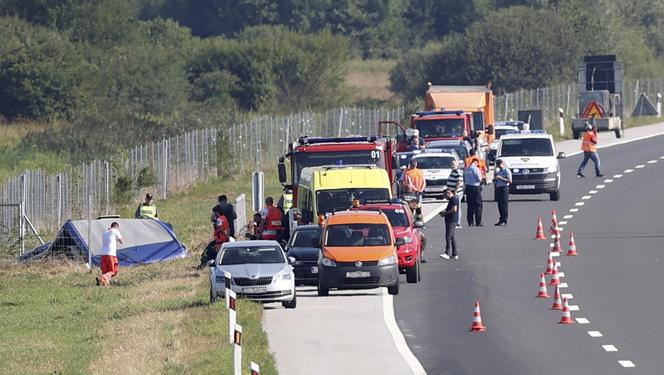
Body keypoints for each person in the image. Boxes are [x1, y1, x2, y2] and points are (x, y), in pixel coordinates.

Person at [96, 222, 123, 286]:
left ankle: (103, 282)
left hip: (103, 254)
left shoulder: (105, 232)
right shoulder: (115, 230)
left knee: (105, 271)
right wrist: (117, 238)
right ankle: (101, 278)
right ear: (116, 227)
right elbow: (121, 241)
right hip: (111, 253)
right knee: (114, 270)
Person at [402, 159, 426, 224]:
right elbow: (424, 182)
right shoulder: (420, 172)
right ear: (416, 164)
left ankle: (411, 221)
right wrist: (420, 190)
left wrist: (415, 189)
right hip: (418, 193)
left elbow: (409, 183)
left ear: (410, 164)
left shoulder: (407, 172)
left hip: (411, 193)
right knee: (418, 207)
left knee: (411, 208)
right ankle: (419, 221)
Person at [439, 189, 459, 260]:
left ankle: (447, 253)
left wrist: (445, 213)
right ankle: (455, 254)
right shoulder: (452, 200)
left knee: (448, 236)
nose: (445, 197)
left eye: (445, 195)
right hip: (451, 220)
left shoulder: (454, 199)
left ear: (448, 193)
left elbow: (454, 209)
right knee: (452, 237)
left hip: (451, 220)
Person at [463, 159, 483, 226]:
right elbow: (479, 179)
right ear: (476, 163)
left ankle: (470, 222)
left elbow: (464, 179)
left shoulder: (466, 169)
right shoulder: (476, 169)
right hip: (475, 188)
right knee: (478, 205)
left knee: (470, 205)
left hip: (468, 187)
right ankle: (478, 222)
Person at [493, 159, 512, 226]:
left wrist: (501, 178)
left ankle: (504, 220)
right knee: (500, 205)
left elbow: (510, 181)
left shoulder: (506, 171)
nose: (499, 167)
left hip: (504, 188)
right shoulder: (499, 172)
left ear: (502, 164)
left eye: (499, 165)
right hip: (499, 188)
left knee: (504, 205)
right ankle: (501, 219)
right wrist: (495, 180)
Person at [446, 159, 464, 228]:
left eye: (453, 164)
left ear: (457, 165)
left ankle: (457, 223)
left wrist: (456, 190)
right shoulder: (453, 171)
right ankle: (454, 221)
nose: (452, 166)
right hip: (452, 193)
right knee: (454, 207)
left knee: (457, 207)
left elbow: (459, 182)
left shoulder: (457, 172)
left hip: (456, 193)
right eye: (451, 164)